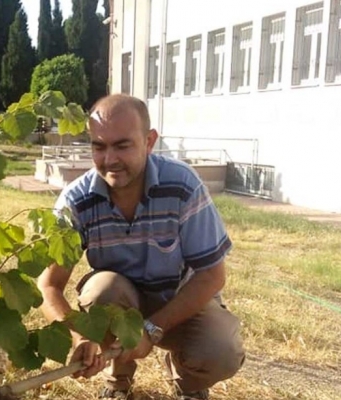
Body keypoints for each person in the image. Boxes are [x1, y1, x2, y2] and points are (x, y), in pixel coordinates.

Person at [37, 94, 245, 400]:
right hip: (121, 304)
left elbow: (212, 276)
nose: (109, 159)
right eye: (99, 146)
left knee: (220, 350)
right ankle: (117, 379)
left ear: (149, 142)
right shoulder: (76, 201)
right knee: (100, 291)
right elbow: (49, 285)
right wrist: (79, 336)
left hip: (180, 304)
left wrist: (152, 329)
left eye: (122, 145)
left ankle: (187, 381)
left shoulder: (182, 186)